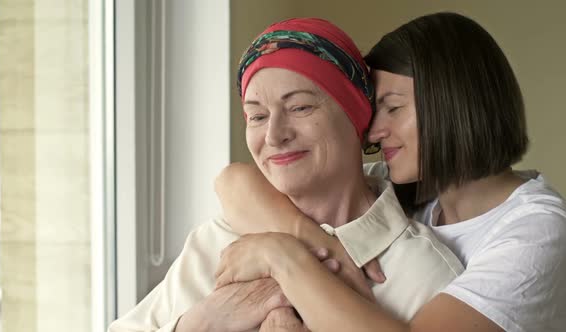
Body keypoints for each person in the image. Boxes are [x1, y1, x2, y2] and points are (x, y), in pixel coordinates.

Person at [215, 12, 566, 332]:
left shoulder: (537, 233)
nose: (372, 131)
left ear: (452, 107)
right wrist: (315, 241)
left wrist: (284, 258)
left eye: (393, 108)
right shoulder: (409, 186)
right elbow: (234, 183)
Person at [108, 18, 465, 332]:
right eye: (257, 116)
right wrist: (204, 321)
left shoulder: (423, 272)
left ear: (357, 114)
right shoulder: (216, 240)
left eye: (299, 107)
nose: (274, 135)